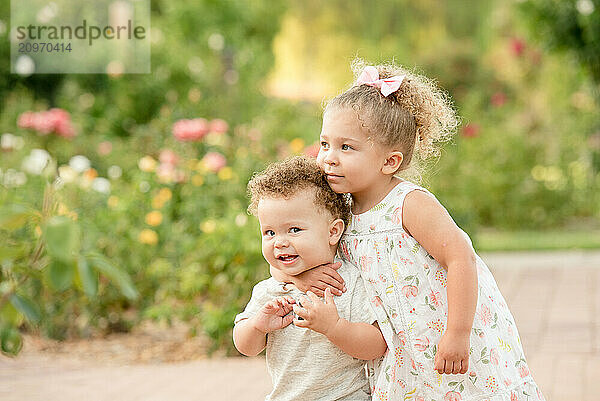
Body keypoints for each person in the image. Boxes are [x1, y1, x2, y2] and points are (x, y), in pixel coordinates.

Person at [273, 61, 545, 400]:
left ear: (389, 161)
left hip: (446, 332)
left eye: (346, 147)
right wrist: (299, 280)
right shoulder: (337, 209)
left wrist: (458, 333)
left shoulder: (408, 204)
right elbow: (291, 253)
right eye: (325, 143)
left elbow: (460, 257)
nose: (329, 157)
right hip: (401, 348)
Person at [233, 157, 387, 401]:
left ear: (333, 231)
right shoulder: (271, 291)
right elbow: (245, 346)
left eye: (294, 229)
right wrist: (256, 326)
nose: (280, 241)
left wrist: (334, 327)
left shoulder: (346, 283)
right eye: (269, 232)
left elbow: (377, 345)